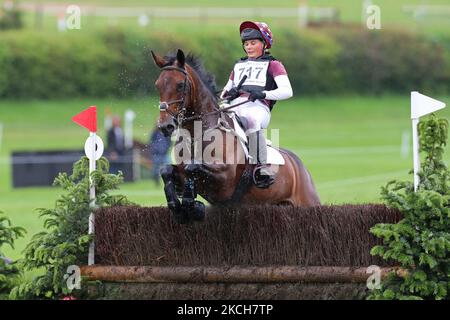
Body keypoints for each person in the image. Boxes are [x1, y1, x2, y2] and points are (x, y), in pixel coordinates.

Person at [220, 21, 293, 188]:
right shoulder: (239, 65)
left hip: (258, 108)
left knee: (251, 119)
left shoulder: (274, 65)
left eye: (253, 43)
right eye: (246, 44)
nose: (249, 47)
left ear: (264, 44)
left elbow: (287, 91)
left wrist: (264, 94)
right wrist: (227, 95)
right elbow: (225, 92)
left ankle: (262, 167)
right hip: (234, 106)